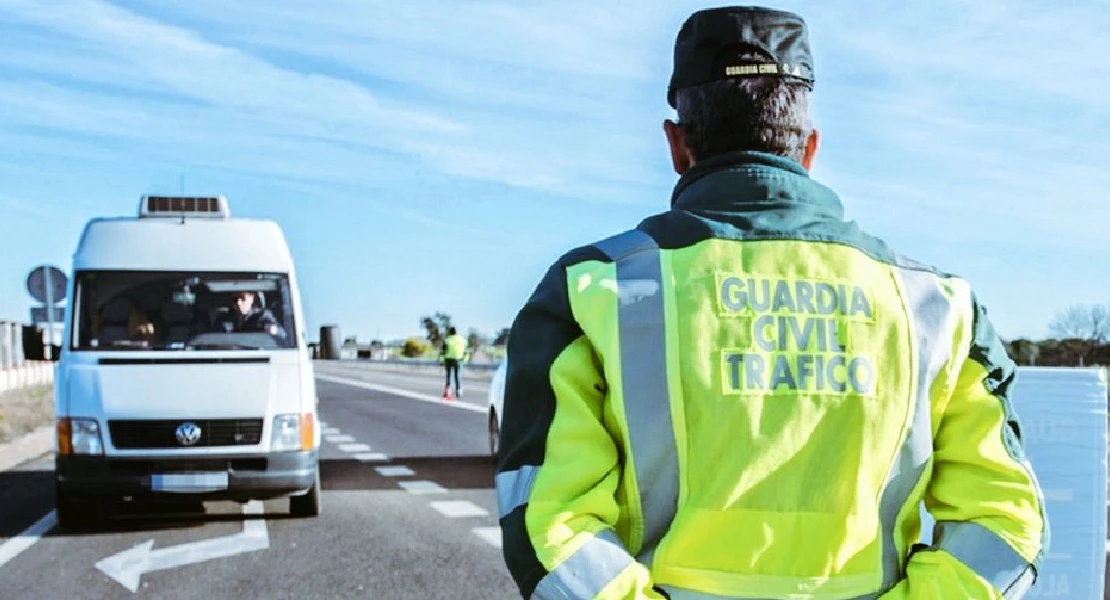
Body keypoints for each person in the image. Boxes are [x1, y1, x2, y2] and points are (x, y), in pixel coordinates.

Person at [495, 6, 1047, 600]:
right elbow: (1004, 524)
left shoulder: (592, 291)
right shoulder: (938, 307)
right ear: (808, 147)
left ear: (677, 144)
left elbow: (548, 525)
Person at [215, 290, 283, 337]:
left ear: (251, 298)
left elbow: (281, 333)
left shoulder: (262, 315)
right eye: (235, 300)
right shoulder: (223, 318)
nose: (239, 303)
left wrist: (272, 329)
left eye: (242, 298)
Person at [440, 326, 466, 398]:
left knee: (448, 375)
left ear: (450, 332)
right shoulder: (461, 339)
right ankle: (458, 391)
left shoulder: (447, 339)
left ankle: (447, 392)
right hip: (457, 359)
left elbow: (443, 350)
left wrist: (441, 360)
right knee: (457, 375)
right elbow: (465, 348)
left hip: (448, 359)